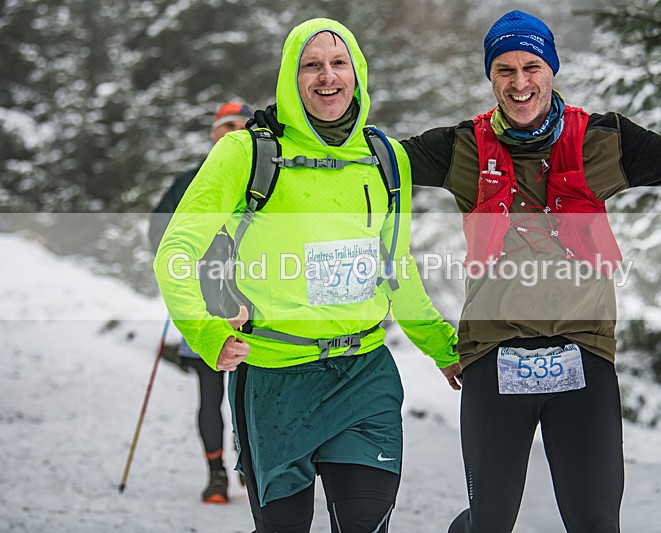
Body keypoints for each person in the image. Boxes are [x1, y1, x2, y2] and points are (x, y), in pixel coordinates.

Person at [400, 9, 661, 533]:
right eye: (504, 70)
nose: (520, 83)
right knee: (490, 521)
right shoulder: (460, 147)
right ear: (490, 76)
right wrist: (271, 134)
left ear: (552, 69)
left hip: (582, 355)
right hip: (493, 357)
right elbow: (369, 160)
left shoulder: (604, 142)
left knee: (594, 521)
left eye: (532, 67)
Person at [154, 18, 461, 533]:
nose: (327, 76)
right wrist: (205, 330)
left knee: (366, 522)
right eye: (311, 65)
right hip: (274, 378)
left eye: (339, 63)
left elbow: (396, 266)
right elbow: (177, 250)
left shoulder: (385, 158)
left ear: (358, 73)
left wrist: (441, 345)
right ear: (290, 78)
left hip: (363, 374)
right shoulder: (246, 153)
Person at [148, 100, 253, 504]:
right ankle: (216, 475)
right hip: (205, 302)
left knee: (249, 389)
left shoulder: (265, 176)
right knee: (211, 393)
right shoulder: (188, 181)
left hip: (255, 302)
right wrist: (177, 268)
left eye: (240, 125)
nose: (232, 132)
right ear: (214, 133)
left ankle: (247, 460)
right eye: (225, 126)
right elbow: (158, 231)